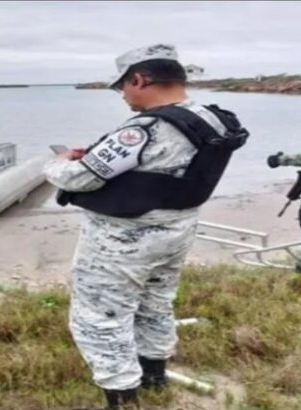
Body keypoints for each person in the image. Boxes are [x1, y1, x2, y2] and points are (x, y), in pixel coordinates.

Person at [45, 45, 248, 409]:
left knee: (100, 318)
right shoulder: (213, 118)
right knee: (156, 303)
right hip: (177, 229)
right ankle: (153, 375)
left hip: (122, 241)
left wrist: (58, 163)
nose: (122, 95)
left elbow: (81, 179)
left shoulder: (146, 128)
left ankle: (123, 397)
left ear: (139, 79)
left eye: (121, 86)